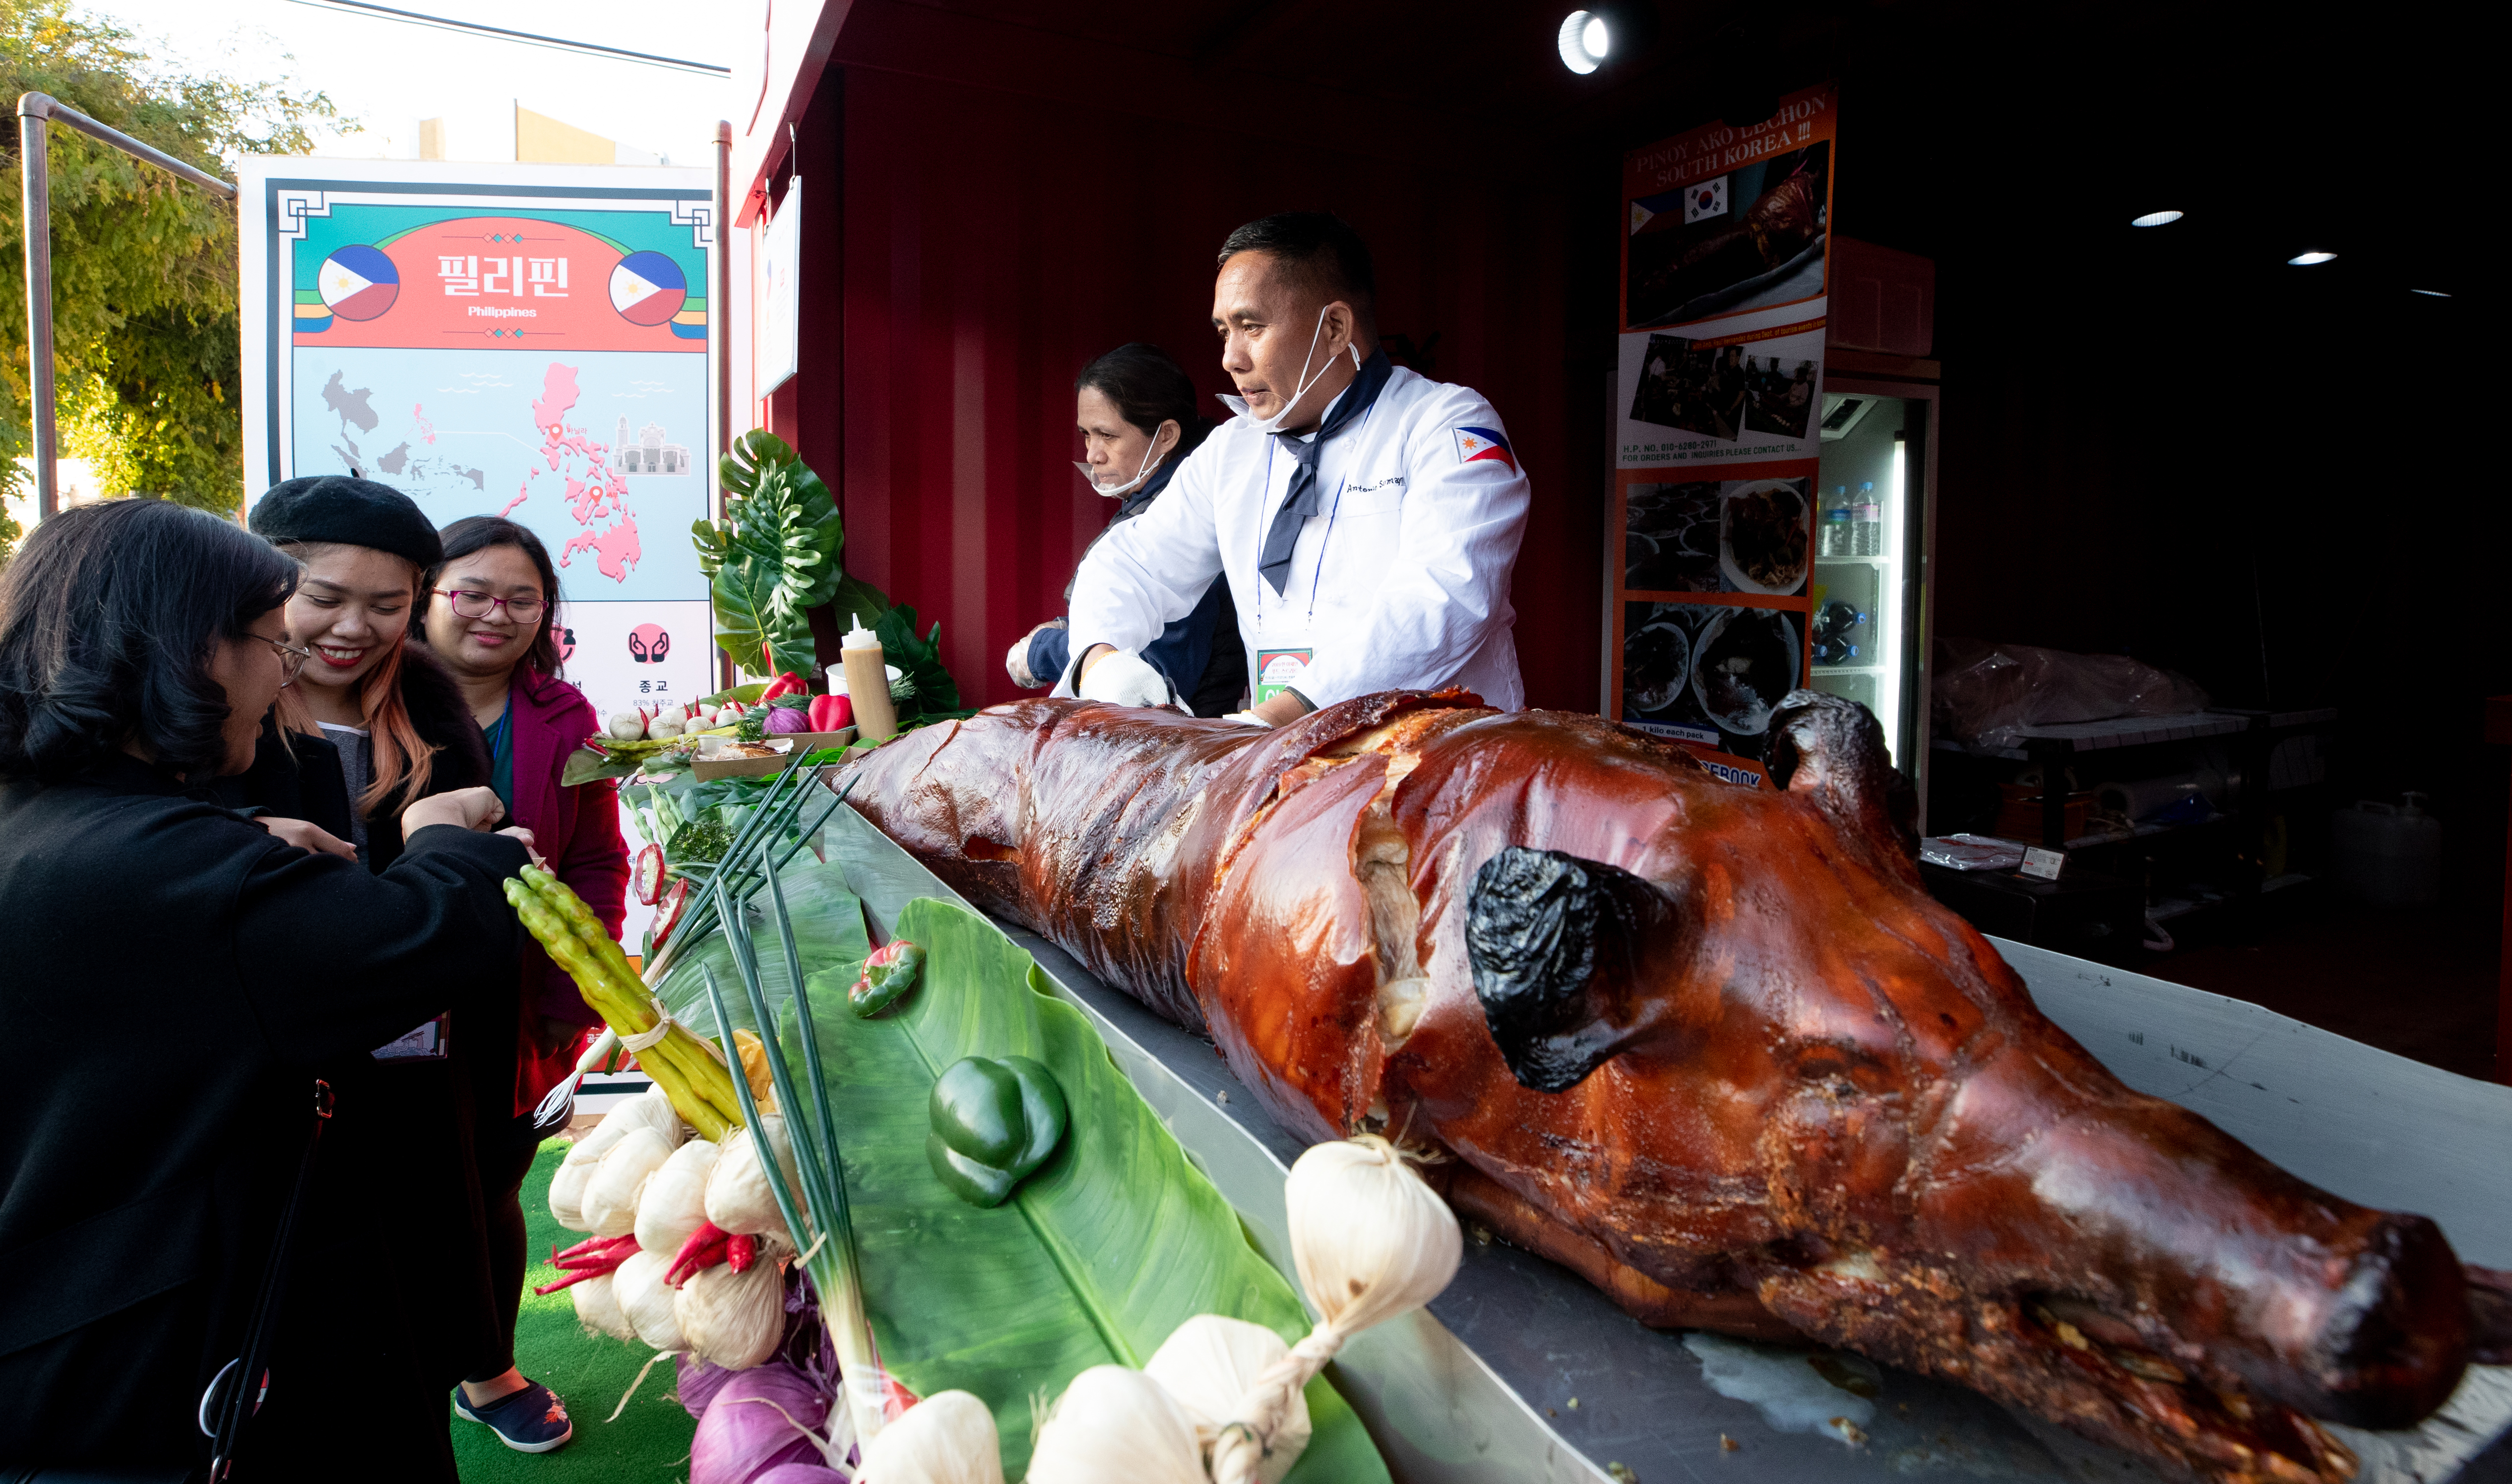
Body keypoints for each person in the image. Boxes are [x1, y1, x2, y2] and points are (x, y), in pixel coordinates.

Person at [0, 499, 529, 1479]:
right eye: (270, 639)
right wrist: (449, 841)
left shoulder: (54, 817)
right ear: (190, 651)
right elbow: (417, 939)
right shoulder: (174, 868)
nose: (286, 666)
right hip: (170, 1353)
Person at [247, 477, 573, 1451]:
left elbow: (467, 849)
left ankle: (479, 1364)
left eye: (387, 605)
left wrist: (485, 850)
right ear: (265, 589)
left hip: (427, 1025)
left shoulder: (426, 695)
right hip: (294, 1035)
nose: (355, 627)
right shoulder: (227, 696)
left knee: (450, 1208)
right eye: (325, 598)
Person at [1065, 212, 1530, 724]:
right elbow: (1134, 562)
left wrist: (1279, 720)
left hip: (1439, 761)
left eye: (1252, 327)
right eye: (1224, 331)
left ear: (1334, 327)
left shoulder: (1444, 425)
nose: (1230, 359)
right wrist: (1099, 658)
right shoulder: (1232, 450)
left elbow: (1445, 600)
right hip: (1289, 761)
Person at [421, 514, 629, 1446]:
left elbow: (594, 859)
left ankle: (487, 1368)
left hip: (513, 998)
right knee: (389, 1187)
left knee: (493, 1180)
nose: (493, 614)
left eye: (520, 597)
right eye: (469, 592)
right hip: (386, 989)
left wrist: (572, 993)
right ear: (429, 596)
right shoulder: (376, 699)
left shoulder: (566, 717)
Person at [1005, 343, 1247, 716]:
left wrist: (1042, 652)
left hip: (1184, 745)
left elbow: (1149, 671)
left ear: (1166, 436)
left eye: (1108, 435)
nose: (1092, 454)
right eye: (1087, 434)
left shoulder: (1185, 518)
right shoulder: (1149, 497)